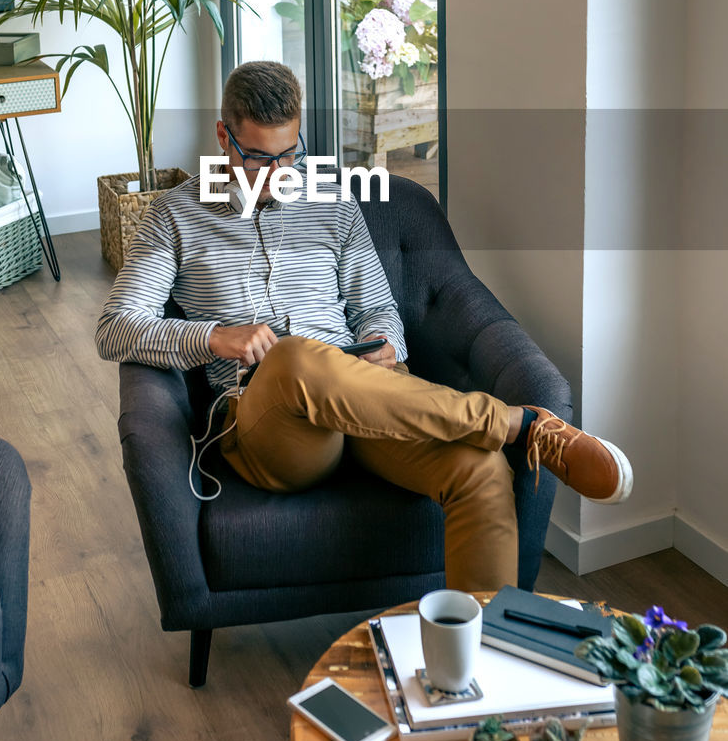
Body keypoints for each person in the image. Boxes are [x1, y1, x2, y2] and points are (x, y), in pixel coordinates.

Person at [96, 61, 633, 592]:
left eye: (290, 154)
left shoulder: (333, 202)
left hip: (362, 402)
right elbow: (115, 328)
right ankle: (520, 425)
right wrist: (215, 336)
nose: (279, 173)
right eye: (259, 158)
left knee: (481, 468)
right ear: (223, 137)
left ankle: (487, 656)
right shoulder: (173, 215)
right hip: (269, 427)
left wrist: (386, 347)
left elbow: (376, 308)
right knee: (295, 357)